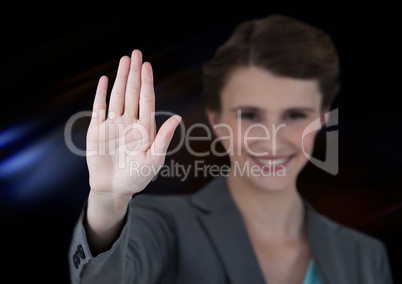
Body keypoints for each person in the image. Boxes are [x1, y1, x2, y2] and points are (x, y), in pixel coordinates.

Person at [68, 14, 394, 283]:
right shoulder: (164, 225)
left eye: (295, 115)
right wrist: (108, 201)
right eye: (250, 115)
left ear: (323, 120)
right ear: (216, 119)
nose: (272, 139)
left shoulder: (364, 256)